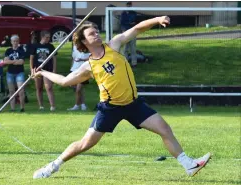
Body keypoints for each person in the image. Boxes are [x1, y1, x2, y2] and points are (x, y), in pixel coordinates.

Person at [32, 16, 211, 179]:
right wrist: (43, 73)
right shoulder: (89, 66)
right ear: (85, 41)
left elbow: (137, 29)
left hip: (133, 104)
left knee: (164, 128)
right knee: (86, 143)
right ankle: (53, 166)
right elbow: (64, 81)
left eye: (96, 31)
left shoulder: (114, 45)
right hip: (110, 108)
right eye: (92, 33)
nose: (97, 34)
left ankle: (188, 165)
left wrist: (157, 20)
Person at [30, 30, 57, 111]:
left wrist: (54, 70)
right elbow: (31, 58)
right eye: (46, 37)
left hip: (47, 69)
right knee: (39, 88)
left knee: (48, 87)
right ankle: (41, 106)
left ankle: (52, 106)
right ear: (42, 37)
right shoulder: (35, 46)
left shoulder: (51, 47)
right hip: (37, 69)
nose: (48, 39)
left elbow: (54, 59)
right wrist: (32, 70)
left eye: (49, 37)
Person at [3, 34, 25, 112]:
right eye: (14, 41)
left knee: (21, 90)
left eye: (16, 41)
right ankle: (12, 108)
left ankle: (22, 107)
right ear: (11, 42)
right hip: (10, 73)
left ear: (18, 41)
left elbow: (21, 62)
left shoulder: (21, 50)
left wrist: (11, 61)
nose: (15, 42)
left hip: (19, 72)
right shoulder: (8, 51)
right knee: (11, 91)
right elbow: (5, 61)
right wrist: (15, 61)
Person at [67, 44, 91, 111]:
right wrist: (71, 69)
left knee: (78, 89)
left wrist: (81, 59)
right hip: (74, 69)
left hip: (84, 70)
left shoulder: (87, 46)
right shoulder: (74, 47)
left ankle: (77, 105)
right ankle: (83, 104)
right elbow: (73, 58)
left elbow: (92, 58)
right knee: (78, 89)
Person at [120, 1, 137, 67]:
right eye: (128, 4)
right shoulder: (123, 13)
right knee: (125, 49)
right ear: (126, 5)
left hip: (132, 32)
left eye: (130, 4)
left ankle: (134, 63)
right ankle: (125, 63)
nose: (129, 5)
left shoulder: (133, 13)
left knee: (133, 49)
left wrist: (131, 23)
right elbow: (122, 23)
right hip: (125, 33)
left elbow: (134, 21)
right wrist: (129, 24)